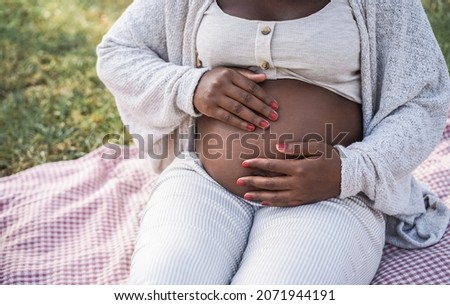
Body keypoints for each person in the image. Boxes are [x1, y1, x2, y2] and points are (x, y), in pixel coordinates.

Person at [96, 0, 450, 284]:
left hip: (334, 195)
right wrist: (190, 86)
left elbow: (423, 98)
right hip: (204, 179)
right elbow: (118, 53)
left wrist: (350, 170)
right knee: (164, 286)